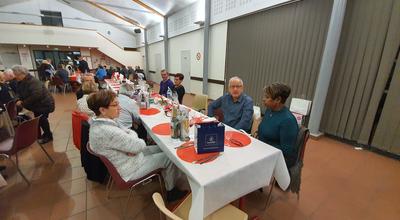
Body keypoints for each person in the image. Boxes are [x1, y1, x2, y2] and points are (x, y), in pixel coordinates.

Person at [87, 90, 187, 202]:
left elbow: (129, 134)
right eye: (115, 105)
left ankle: (168, 177)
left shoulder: (100, 122)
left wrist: (131, 142)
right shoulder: (107, 131)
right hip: (130, 168)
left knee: (163, 148)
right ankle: (171, 192)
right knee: (169, 158)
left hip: (128, 156)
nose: (120, 107)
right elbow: (140, 144)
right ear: (102, 110)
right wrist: (133, 143)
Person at [258, 83, 299, 168]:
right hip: (264, 150)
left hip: (279, 159)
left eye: (267, 97)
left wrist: (263, 146)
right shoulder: (269, 110)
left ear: (278, 99)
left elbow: (286, 151)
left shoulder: (288, 121)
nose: (263, 99)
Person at [12, 65, 55, 144]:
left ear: (22, 73)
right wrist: (18, 99)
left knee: (42, 120)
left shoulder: (33, 81)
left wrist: (22, 103)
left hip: (44, 104)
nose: (15, 76)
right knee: (40, 120)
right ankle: (45, 134)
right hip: (37, 105)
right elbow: (18, 93)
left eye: (16, 75)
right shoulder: (21, 82)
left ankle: (48, 136)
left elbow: (37, 95)